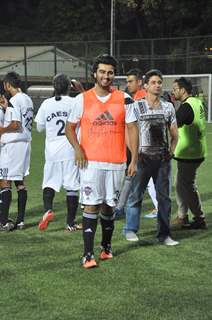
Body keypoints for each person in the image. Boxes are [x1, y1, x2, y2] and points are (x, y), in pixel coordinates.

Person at [65, 54, 139, 268]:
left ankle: (106, 247)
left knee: (109, 208)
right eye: (102, 72)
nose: (106, 76)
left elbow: (132, 129)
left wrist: (133, 159)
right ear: (94, 74)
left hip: (116, 163)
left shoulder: (125, 99)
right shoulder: (82, 99)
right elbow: (69, 129)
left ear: (114, 75)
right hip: (91, 164)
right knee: (91, 206)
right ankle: (88, 255)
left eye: (110, 72)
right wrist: (77, 149)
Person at [123, 69, 179, 245]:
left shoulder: (168, 107)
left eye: (160, 82)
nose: (157, 85)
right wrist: (134, 156)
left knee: (164, 198)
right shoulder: (136, 106)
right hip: (142, 158)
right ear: (145, 86)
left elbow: (174, 134)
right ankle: (130, 229)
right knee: (135, 195)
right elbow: (129, 133)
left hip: (162, 160)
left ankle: (164, 234)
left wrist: (172, 150)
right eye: (153, 82)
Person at [35, 73, 82, 232]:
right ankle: (70, 223)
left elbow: (40, 127)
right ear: (69, 87)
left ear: (54, 87)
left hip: (52, 151)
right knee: (72, 186)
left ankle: (48, 209)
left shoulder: (46, 104)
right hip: (70, 148)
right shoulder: (75, 102)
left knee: (49, 182)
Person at [172, 77, 207, 229]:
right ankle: (183, 216)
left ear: (182, 90)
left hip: (189, 152)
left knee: (187, 185)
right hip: (196, 150)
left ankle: (196, 218)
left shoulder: (186, 107)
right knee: (181, 184)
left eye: (175, 89)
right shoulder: (196, 102)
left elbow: (173, 124)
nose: (173, 92)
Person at [0, 72, 33, 231]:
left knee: (4, 180)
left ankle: (3, 222)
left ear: (7, 84)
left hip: (13, 144)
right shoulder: (27, 98)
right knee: (20, 183)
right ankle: (20, 221)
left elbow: (15, 125)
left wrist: (1, 130)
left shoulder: (14, 100)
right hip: (25, 143)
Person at [126, 68, 158, 219]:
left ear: (140, 82)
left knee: (148, 179)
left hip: (145, 145)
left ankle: (159, 208)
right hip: (149, 144)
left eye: (131, 81)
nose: (128, 84)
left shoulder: (139, 98)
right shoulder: (140, 97)